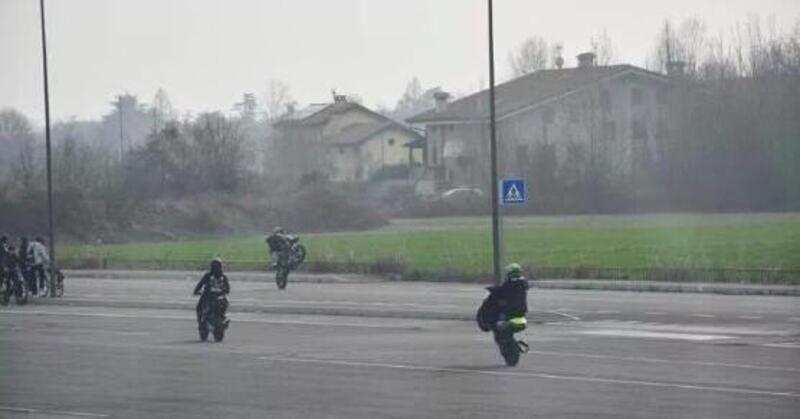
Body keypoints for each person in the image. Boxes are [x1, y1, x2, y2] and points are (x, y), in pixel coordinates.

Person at [491, 263, 530, 339]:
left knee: (498, 320)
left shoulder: (508, 284)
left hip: (510, 312)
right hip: (522, 311)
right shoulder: (523, 283)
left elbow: (500, 292)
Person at [193, 258, 231, 328]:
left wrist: (196, 291)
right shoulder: (223, 276)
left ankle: (201, 324)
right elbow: (228, 289)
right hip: (218, 296)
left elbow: (200, 284)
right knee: (200, 308)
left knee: (199, 308)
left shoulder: (208, 275)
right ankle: (203, 323)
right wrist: (223, 292)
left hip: (209, 296)